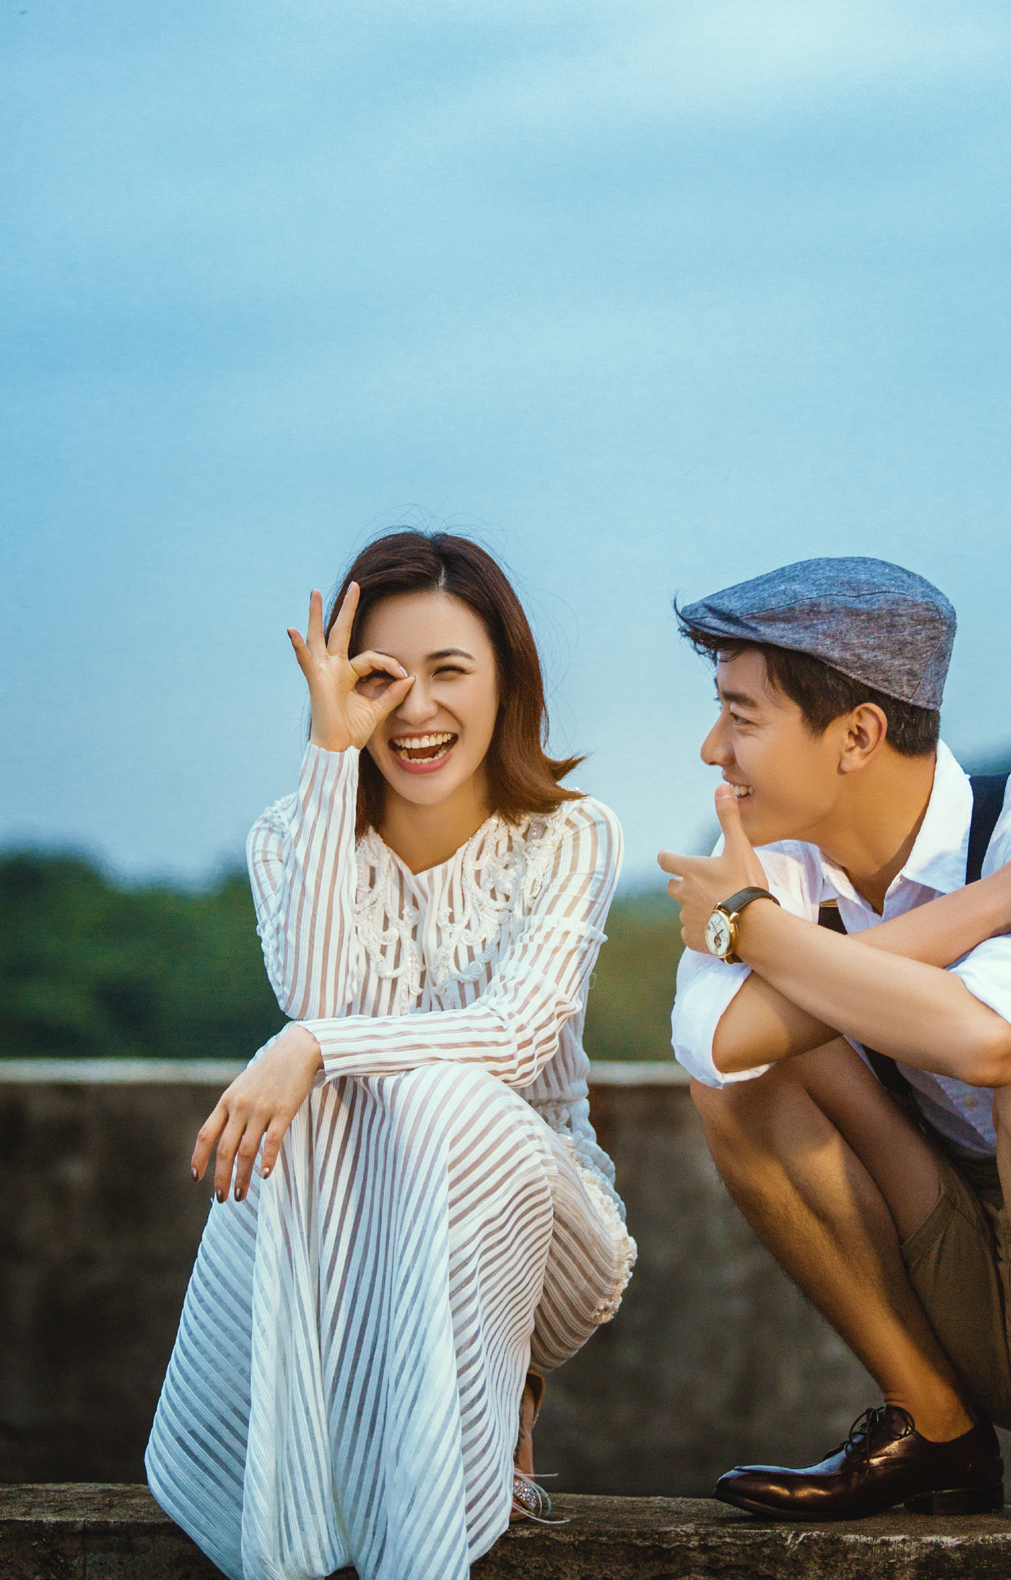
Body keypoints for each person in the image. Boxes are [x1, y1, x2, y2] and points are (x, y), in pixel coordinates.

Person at [659, 557, 1011, 1568]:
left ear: (858, 734)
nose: (712, 748)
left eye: (741, 715)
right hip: (972, 1271)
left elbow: (988, 1042)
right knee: (748, 1077)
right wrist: (993, 902)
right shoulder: (774, 868)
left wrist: (755, 931)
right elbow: (714, 1044)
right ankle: (935, 1427)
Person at [146, 532, 635, 1580]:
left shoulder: (570, 834)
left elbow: (515, 1036)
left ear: (506, 682)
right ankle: (306, 1520)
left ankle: (439, 1495)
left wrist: (312, 1044)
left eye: (450, 670)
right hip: (355, 1244)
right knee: (317, 1099)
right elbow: (318, 1001)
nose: (415, 708)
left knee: (427, 1096)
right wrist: (332, 754)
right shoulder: (286, 838)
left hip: (544, 1230)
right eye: (381, 676)